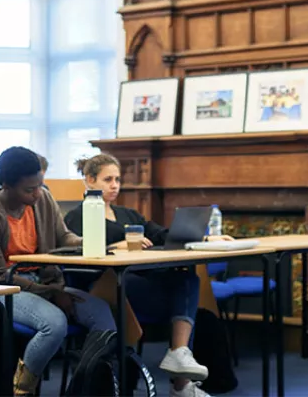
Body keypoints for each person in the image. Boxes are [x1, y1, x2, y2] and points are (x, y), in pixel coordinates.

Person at [65, 153, 232, 397]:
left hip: (140, 281)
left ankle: (179, 355)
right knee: (183, 302)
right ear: (90, 180)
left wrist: (206, 238)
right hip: (108, 286)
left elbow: (161, 233)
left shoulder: (128, 214)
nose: (114, 186)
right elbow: (77, 250)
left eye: (118, 180)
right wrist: (116, 246)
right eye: (107, 179)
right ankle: (182, 386)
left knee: (186, 279)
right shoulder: (77, 216)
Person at [0, 146, 116, 396]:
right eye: (29, 189)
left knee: (103, 315)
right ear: (5, 185)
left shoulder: (43, 198)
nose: (37, 193)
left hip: (44, 284)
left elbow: (62, 237)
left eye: (40, 185)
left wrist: (92, 241)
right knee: (54, 324)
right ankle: (22, 389)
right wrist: (51, 293)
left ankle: (82, 386)